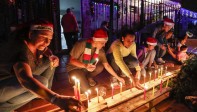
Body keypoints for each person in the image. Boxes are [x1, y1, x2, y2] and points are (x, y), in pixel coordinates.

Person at [0, 20, 81, 112]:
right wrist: (56, 99)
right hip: (3, 85)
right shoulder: (21, 50)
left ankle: (43, 93)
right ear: (31, 34)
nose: (47, 42)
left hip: (12, 80)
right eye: (43, 37)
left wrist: (52, 56)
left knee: (49, 61)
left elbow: (46, 49)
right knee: (41, 82)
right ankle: (4, 108)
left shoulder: (35, 44)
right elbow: (25, 79)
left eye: (50, 39)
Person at [66, 28, 125, 93]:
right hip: (75, 68)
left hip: (86, 68)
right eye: (102, 43)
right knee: (85, 90)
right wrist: (85, 65)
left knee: (100, 67)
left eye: (105, 43)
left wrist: (118, 77)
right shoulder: (81, 44)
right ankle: (73, 78)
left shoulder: (101, 51)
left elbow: (107, 65)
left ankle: (87, 77)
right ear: (95, 41)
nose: (104, 45)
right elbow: (71, 60)